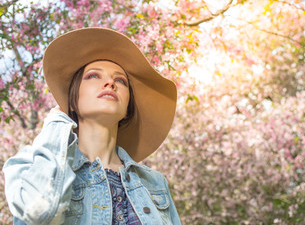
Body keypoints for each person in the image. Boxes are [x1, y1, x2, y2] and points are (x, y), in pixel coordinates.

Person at [3, 27, 181, 225]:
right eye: (94, 76)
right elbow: (39, 212)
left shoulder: (155, 184)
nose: (110, 83)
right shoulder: (31, 164)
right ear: (71, 101)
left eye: (120, 80)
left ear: (128, 109)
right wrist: (57, 122)